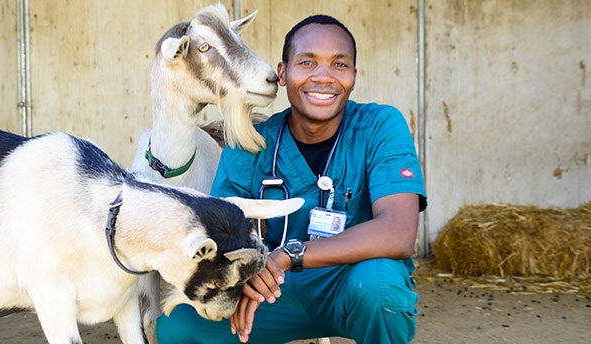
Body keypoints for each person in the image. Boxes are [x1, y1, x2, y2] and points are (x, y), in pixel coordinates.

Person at [156, 14, 427, 344]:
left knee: (382, 287)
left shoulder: (380, 126)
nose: (323, 77)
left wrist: (290, 254)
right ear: (283, 73)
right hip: (271, 291)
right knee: (178, 328)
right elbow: (222, 239)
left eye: (339, 65)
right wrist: (246, 273)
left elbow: (398, 233)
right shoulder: (249, 144)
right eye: (307, 62)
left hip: (347, 282)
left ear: (354, 76)